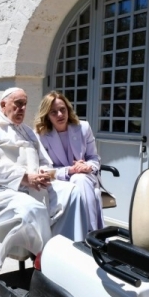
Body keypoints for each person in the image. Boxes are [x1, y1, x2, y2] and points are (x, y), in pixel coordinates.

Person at [0, 87, 90, 271]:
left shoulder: (28, 132)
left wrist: (44, 173)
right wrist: (24, 177)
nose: (22, 109)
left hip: (34, 184)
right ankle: (45, 261)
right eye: (18, 104)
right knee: (33, 208)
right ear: (3, 105)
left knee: (73, 192)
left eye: (25, 104)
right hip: (0, 190)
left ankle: (71, 248)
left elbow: (45, 161)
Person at [34, 91, 104, 231]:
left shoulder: (83, 128)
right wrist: (68, 171)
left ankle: (87, 233)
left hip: (86, 178)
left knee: (81, 179)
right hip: (58, 182)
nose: (60, 114)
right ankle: (92, 233)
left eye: (62, 109)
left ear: (68, 109)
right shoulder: (40, 135)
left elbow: (94, 157)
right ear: (47, 115)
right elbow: (43, 169)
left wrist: (87, 166)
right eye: (53, 112)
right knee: (80, 180)